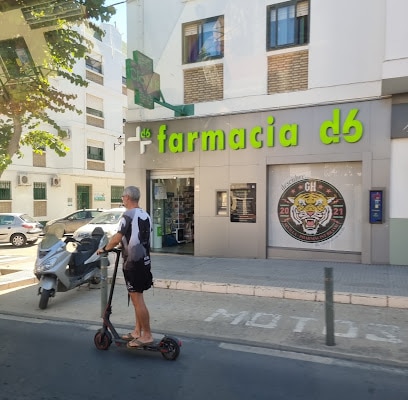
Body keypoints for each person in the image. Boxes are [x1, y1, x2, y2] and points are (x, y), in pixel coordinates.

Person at [97, 186, 154, 348]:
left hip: (133, 264)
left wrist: (105, 248)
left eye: (123, 196)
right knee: (138, 298)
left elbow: (117, 237)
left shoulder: (128, 214)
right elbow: (135, 237)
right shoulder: (145, 214)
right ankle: (137, 331)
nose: (122, 199)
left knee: (137, 300)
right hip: (144, 262)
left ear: (128, 197)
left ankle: (147, 335)